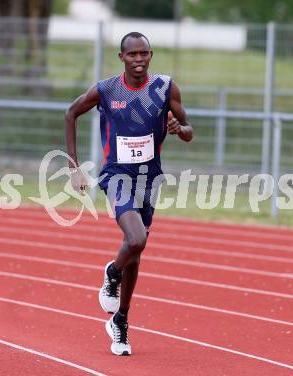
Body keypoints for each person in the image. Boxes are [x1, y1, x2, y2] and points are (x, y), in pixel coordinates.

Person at [64, 31, 193, 356]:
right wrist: (73, 167)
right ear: (121, 57)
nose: (139, 60)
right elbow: (71, 113)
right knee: (135, 240)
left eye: (144, 54)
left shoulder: (165, 88)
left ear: (151, 55)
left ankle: (120, 320)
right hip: (117, 176)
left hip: (150, 180)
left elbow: (189, 130)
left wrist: (180, 129)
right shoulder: (107, 90)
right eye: (132, 54)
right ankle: (112, 273)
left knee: (136, 253)